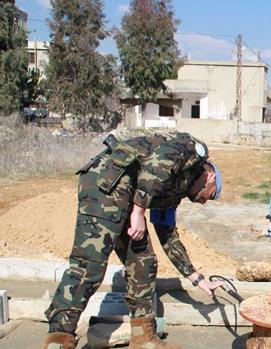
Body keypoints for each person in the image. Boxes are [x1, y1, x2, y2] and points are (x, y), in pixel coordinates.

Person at [42, 132, 226, 349]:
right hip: (108, 182)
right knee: (89, 266)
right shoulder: (196, 151)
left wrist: (197, 278)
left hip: (126, 195)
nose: (204, 202)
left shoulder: (176, 191)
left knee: (143, 262)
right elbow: (159, 162)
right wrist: (138, 213)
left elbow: (167, 234)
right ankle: (58, 339)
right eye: (210, 196)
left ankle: (143, 338)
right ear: (211, 177)